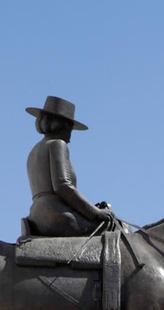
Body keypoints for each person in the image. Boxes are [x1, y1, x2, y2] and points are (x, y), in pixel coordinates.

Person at [24, 96, 114, 237]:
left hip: (36, 215)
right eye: (70, 128)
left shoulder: (34, 150)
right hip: (57, 215)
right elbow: (63, 186)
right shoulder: (58, 144)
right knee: (111, 227)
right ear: (63, 126)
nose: (70, 136)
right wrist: (95, 212)